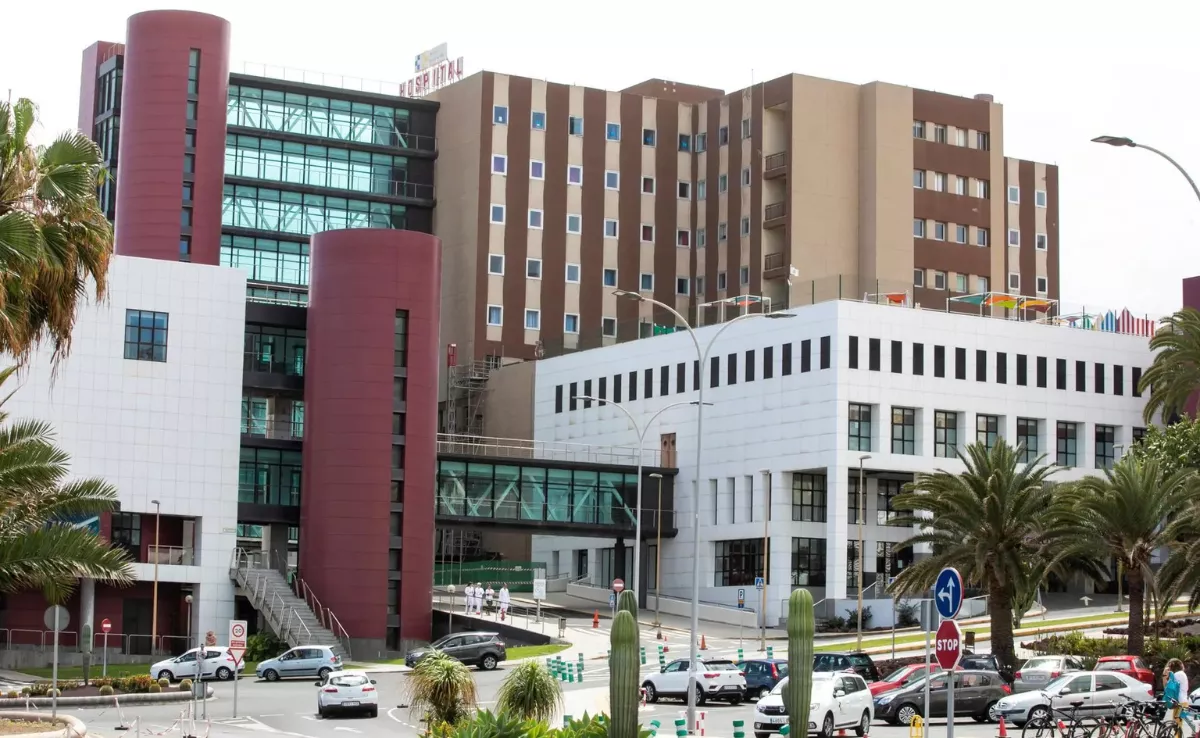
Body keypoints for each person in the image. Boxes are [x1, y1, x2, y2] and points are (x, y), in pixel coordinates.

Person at [1163, 659, 1191, 738]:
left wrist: (1164, 676)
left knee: (1177, 724)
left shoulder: (1177, 675)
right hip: (1183, 702)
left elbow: (1167, 687)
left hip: (1180, 703)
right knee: (1178, 723)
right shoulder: (1182, 674)